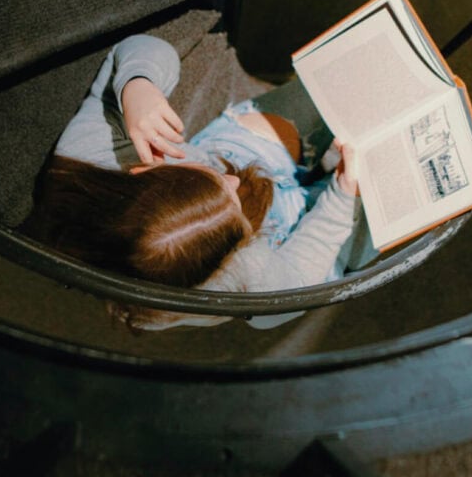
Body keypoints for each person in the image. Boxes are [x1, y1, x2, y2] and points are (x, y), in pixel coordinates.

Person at [28, 34, 376, 330]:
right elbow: (295, 285)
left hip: (237, 157)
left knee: (349, 74)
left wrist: (138, 86)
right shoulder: (223, 270)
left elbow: (141, 49)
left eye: (213, 181)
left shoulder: (89, 153)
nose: (233, 182)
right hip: (281, 243)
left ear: (147, 171)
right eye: (231, 198)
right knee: (392, 190)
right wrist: (344, 196)